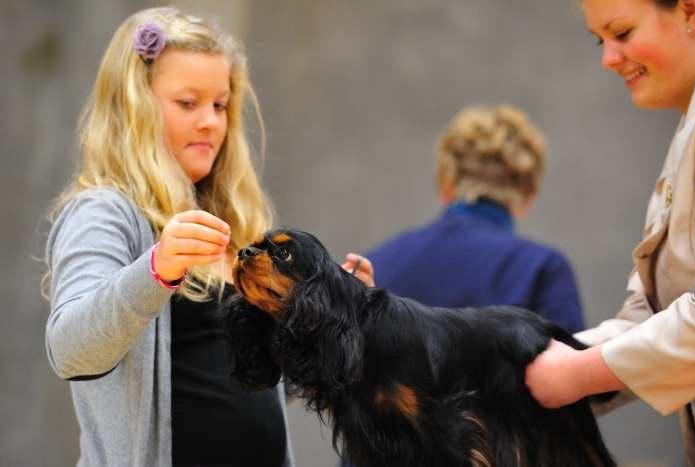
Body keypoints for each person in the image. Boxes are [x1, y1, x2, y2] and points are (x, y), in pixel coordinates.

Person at [43, 7, 294, 467]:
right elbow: (70, 350)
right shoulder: (103, 210)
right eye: (187, 103)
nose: (210, 122)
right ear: (134, 107)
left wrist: (330, 310)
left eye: (220, 104)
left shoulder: (229, 218)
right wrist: (156, 271)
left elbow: (248, 380)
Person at [524, 0, 695, 464]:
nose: (608, 59)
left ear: (691, 11)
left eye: (622, 33)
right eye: (601, 41)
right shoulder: (688, 128)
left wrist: (580, 373)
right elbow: (649, 315)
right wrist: (515, 368)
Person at [345, 105, 585, 333]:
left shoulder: (376, 265)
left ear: (446, 183)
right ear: (529, 195)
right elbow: (572, 374)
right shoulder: (542, 272)